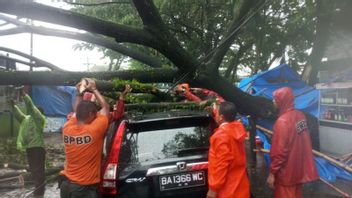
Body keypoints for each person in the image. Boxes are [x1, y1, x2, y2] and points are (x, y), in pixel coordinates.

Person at [59, 78, 110, 198]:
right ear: (91, 115)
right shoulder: (94, 130)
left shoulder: (67, 128)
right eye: (95, 114)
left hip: (65, 185)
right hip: (83, 189)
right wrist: (94, 89)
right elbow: (106, 108)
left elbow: (76, 112)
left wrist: (79, 92)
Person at [266, 87, 319, 198]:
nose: (273, 101)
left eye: (275, 99)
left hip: (287, 172)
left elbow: (279, 152)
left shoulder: (282, 121)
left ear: (283, 100)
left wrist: (272, 172)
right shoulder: (300, 116)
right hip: (298, 168)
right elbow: (301, 139)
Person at [207, 102, 250, 198]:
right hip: (241, 186)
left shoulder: (220, 136)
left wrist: (213, 189)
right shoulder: (237, 128)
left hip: (227, 190)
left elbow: (222, 164)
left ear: (221, 117)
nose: (215, 115)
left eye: (217, 113)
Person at [13, 88, 46, 198]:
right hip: (29, 147)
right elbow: (18, 115)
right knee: (34, 170)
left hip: (38, 147)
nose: (32, 111)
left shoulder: (39, 119)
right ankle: (38, 190)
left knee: (38, 170)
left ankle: (39, 192)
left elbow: (32, 108)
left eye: (35, 111)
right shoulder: (27, 119)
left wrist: (24, 95)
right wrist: (13, 105)